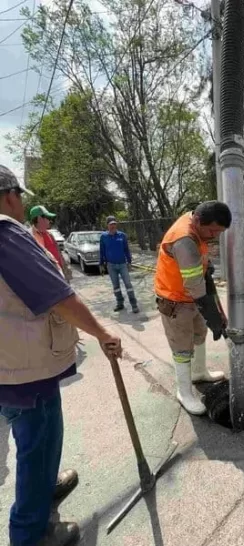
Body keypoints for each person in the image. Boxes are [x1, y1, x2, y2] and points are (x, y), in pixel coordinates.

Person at [0, 165, 122, 546]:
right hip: (24, 372)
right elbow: (58, 296)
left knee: (32, 441)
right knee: (38, 442)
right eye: (20, 198)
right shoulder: (6, 234)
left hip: (9, 366)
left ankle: (44, 487)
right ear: (10, 196)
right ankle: (31, 534)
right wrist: (102, 332)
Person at [154, 201, 230, 415]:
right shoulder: (184, 240)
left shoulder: (197, 223)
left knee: (199, 334)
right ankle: (184, 392)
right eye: (212, 231)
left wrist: (206, 265)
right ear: (197, 220)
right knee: (182, 346)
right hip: (175, 300)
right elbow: (195, 286)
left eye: (219, 232)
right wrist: (214, 317)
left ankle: (199, 372)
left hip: (191, 297)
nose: (215, 236)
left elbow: (199, 273)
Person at [99, 216, 139, 313]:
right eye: (111, 224)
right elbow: (102, 251)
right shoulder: (103, 237)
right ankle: (120, 303)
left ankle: (134, 304)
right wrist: (101, 264)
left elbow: (126, 249)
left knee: (128, 285)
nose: (113, 226)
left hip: (122, 265)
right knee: (116, 286)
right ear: (107, 225)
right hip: (111, 265)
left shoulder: (122, 235)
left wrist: (129, 262)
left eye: (114, 224)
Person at [28, 205, 69, 280]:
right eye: (47, 218)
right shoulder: (30, 237)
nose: (50, 221)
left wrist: (65, 272)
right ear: (39, 219)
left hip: (60, 276)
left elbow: (59, 255)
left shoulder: (49, 234)